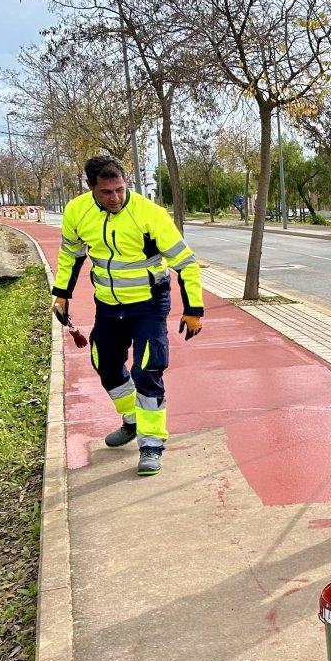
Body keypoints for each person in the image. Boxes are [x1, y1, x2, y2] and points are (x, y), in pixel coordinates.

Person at [52, 155, 204, 476]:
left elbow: (185, 262)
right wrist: (62, 295)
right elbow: (71, 255)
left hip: (149, 303)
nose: (115, 198)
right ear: (91, 188)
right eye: (107, 192)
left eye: (120, 189)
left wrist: (193, 308)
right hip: (108, 305)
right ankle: (132, 420)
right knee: (104, 362)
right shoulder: (77, 212)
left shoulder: (149, 214)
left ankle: (151, 444)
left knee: (147, 368)